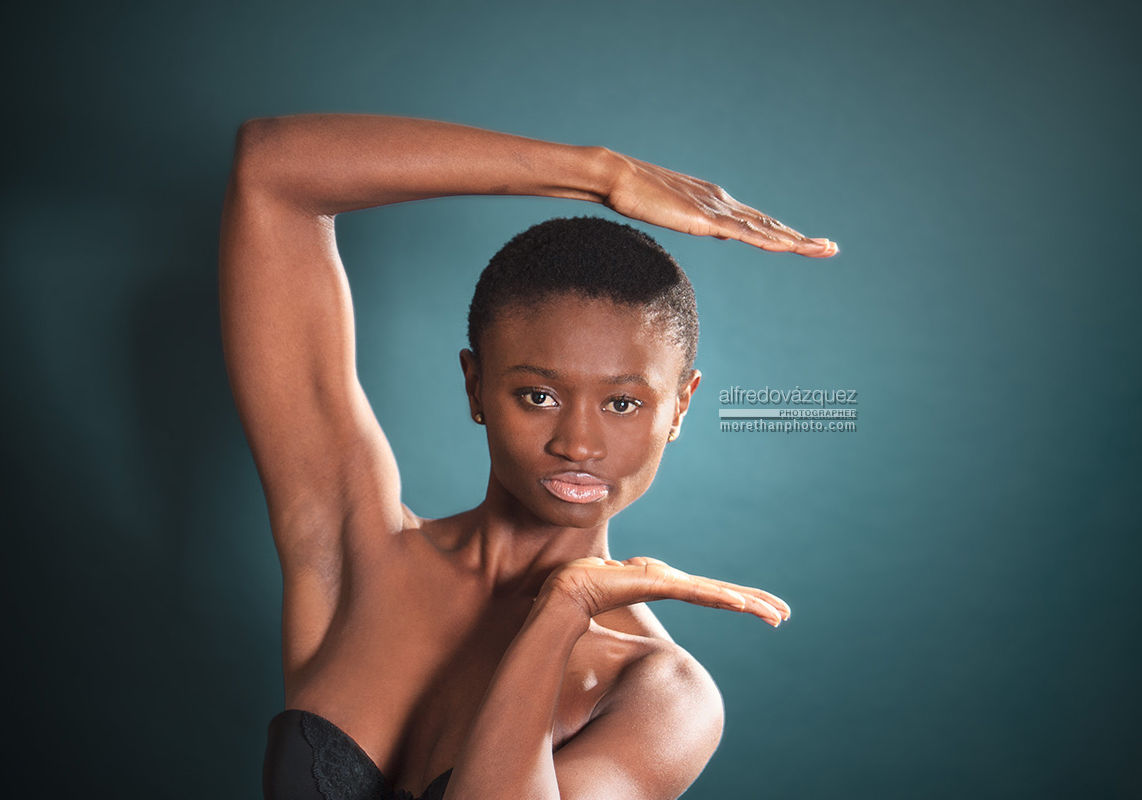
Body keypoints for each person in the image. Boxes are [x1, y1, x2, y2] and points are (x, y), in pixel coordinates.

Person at [218, 113, 837, 800]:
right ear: (476, 386)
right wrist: (601, 174)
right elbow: (274, 170)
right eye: (538, 395)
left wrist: (564, 611)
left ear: (680, 408)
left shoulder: (659, 694)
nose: (578, 444)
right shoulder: (354, 550)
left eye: (623, 403)